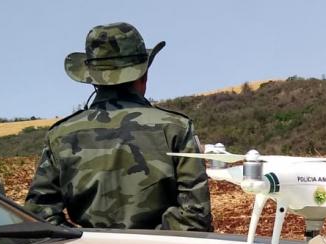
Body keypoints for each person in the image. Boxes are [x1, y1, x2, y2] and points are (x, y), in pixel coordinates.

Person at [24, 22, 212, 231]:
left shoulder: (60, 135)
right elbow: (195, 217)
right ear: (144, 75)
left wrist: (84, 241)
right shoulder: (176, 128)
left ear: (93, 80)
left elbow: (39, 214)